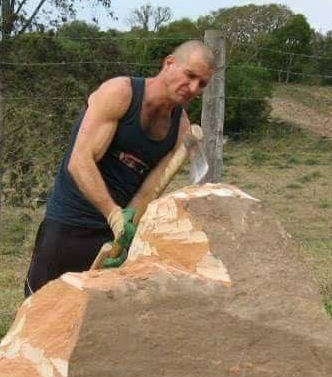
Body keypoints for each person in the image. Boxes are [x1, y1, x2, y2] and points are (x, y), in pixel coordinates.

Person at [24, 40, 215, 296]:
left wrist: (123, 236)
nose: (193, 88)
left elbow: (149, 190)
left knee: (91, 320)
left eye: (202, 83)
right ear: (169, 63)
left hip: (111, 237)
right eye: (190, 75)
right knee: (40, 309)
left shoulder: (180, 128)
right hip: (69, 224)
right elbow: (80, 161)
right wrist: (113, 214)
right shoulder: (120, 93)